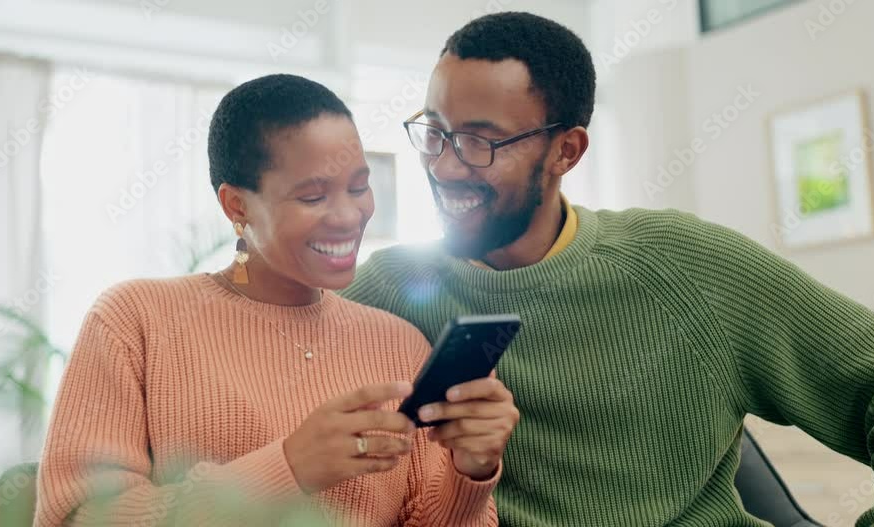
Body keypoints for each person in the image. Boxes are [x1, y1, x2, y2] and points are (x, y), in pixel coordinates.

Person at [341, 11, 874, 526]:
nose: (445, 166)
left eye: (481, 142)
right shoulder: (385, 290)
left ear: (566, 151)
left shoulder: (687, 266)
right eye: (435, 133)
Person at [32, 74, 519, 527]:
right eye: (312, 197)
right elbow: (78, 516)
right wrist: (288, 468)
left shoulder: (400, 344)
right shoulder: (135, 320)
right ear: (236, 206)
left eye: (359, 186)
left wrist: (469, 471)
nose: (349, 216)